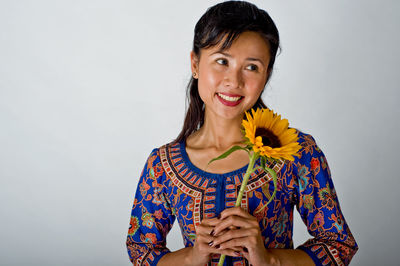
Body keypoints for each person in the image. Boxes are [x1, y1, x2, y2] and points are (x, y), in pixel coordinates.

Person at [126, 1, 358, 265]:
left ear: (266, 74)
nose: (233, 82)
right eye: (222, 61)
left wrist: (269, 259)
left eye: (251, 67)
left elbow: (337, 245)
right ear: (195, 63)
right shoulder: (162, 166)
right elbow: (141, 251)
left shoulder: (297, 153)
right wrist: (192, 258)